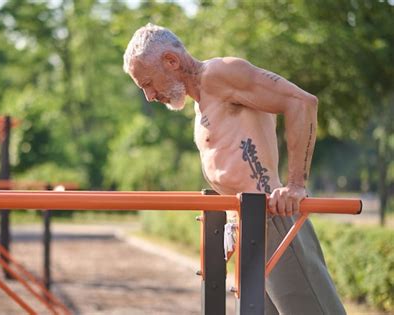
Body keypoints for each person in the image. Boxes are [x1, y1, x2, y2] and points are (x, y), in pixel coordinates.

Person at [123, 23, 345, 315]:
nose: (150, 96)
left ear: (171, 61)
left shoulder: (220, 74)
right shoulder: (201, 105)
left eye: (148, 84)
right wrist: (230, 224)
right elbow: (234, 172)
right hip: (249, 228)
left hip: (273, 220)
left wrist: (295, 185)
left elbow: (302, 103)